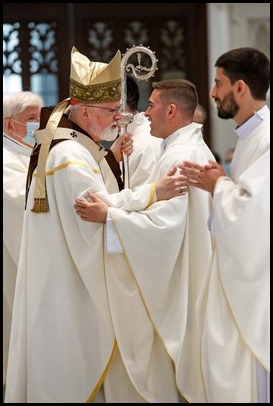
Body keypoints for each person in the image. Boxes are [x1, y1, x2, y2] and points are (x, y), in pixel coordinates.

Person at [5, 48, 187, 403]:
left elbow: (98, 199)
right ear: (85, 110)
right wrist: (155, 192)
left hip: (64, 274)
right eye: (110, 111)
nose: (118, 117)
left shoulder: (69, 145)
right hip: (71, 283)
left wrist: (112, 160)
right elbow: (95, 210)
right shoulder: (68, 155)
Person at [74, 79, 216, 402]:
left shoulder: (181, 156)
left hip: (182, 277)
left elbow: (164, 226)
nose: (145, 114)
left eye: (151, 106)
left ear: (171, 109)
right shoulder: (182, 148)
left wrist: (110, 216)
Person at [179, 47, 270, 403]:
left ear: (241, 88)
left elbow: (256, 214)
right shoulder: (250, 136)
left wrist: (218, 185)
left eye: (219, 84)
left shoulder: (266, 140)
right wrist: (220, 185)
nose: (213, 92)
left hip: (256, 284)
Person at [3, 91, 43, 393]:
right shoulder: (5, 158)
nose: (38, 125)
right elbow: (20, 197)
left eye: (40, 118)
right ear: (8, 125)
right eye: (31, 119)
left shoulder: (26, 152)